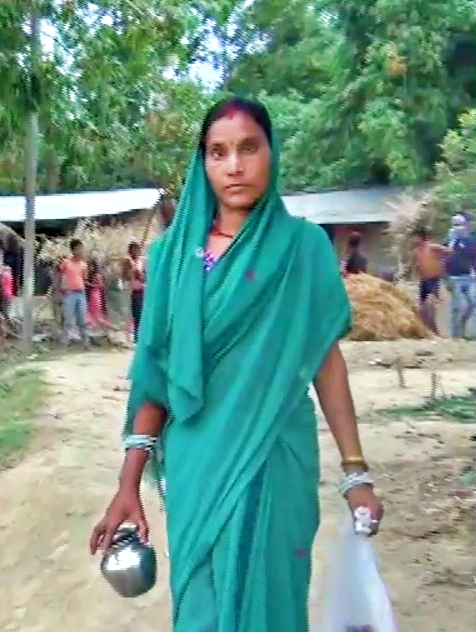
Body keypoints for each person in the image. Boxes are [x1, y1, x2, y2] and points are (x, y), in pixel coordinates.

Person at [90, 97, 383, 632]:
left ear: (272, 153)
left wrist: (355, 472)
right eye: (217, 152)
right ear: (201, 163)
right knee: (202, 606)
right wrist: (128, 483)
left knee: (268, 604)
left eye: (248, 148)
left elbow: (326, 364)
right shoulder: (173, 256)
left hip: (276, 459)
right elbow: (156, 374)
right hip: (199, 463)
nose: (234, 165)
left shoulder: (303, 249)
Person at [412, 228, 449, 334]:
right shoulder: (416, 251)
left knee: (429, 302)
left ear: (422, 238)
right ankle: (427, 329)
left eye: (416, 237)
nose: (414, 240)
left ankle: (434, 329)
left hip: (433, 278)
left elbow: (448, 251)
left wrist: (442, 264)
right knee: (422, 305)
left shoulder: (431, 247)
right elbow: (417, 266)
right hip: (424, 280)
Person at [446, 214, 476, 337]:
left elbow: (474, 257)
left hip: (469, 276)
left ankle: (465, 329)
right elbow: (444, 258)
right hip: (454, 277)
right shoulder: (449, 242)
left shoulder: (471, 240)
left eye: (460, 225)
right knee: (456, 306)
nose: (458, 228)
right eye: (455, 225)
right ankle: (456, 335)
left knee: (472, 303)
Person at [59, 238, 89, 348]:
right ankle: (64, 344)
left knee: (83, 320)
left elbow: (84, 279)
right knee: (68, 320)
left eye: (81, 249)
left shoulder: (84, 265)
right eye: (78, 249)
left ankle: (86, 344)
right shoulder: (66, 263)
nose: (80, 251)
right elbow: (60, 276)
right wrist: (61, 290)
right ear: (73, 250)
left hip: (81, 293)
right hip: (69, 294)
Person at [121, 241, 145, 342]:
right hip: (130, 291)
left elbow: (144, 277)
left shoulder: (141, 262)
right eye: (133, 250)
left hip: (140, 290)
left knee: (139, 314)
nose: (136, 252)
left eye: (137, 250)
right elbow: (126, 276)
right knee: (131, 314)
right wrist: (132, 270)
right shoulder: (127, 262)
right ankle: (129, 337)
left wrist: (140, 274)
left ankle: (138, 336)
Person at [87, 259, 107, 328]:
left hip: (96, 294)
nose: (91, 267)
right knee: (92, 307)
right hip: (93, 293)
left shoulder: (98, 275)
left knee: (96, 307)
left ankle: (96, 320)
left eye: (92, 266)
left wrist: (89, 284)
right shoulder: (91, 274)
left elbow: (101, 285)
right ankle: (93, 320)